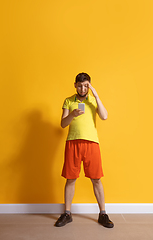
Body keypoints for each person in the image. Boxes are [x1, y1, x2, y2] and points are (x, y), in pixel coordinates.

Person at [55, 72, 114, 228]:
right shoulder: (68, 101)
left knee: (96, 179)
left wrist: (96, 95)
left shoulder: (93, 101)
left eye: (86, 85)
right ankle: (67, 213)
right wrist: (73, 115)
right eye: (80, 85)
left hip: (91, 143)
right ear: (75, 85)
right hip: (72, 143)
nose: (82, 88)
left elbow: (104, 116)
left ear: (89, 85)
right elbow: (62, 124)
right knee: (70, 178)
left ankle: (103, 214)